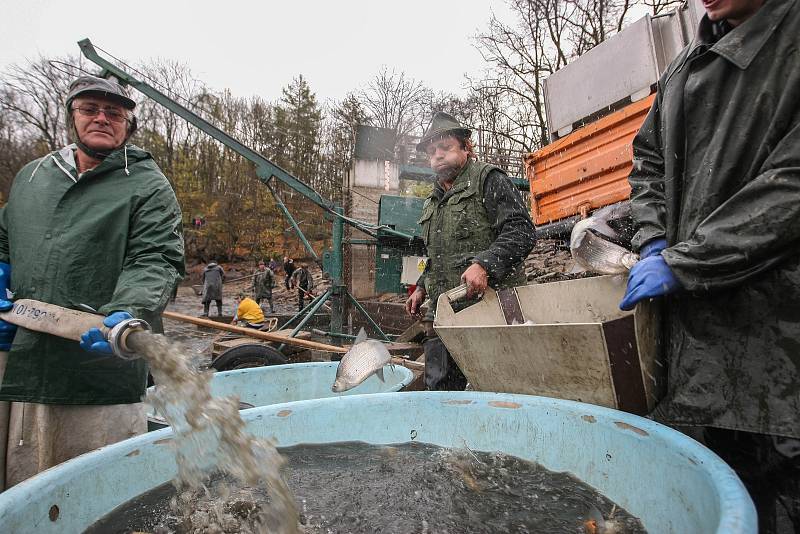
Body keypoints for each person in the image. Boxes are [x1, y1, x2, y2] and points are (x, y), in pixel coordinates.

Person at [620, 0, 800, 530]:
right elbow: (647, 158)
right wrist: (653, 239)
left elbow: (791, 185)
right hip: (696, 345)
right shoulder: (685, 62)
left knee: (776, 500)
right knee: (709, 492)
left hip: (778, 346)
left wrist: (689, 261)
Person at [0, 75, 185, 489]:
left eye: (114, 113)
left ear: (128, 125)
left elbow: (156, 257)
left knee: (99, 490)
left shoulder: (146, 184)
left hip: (101, 367)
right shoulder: (32, 177)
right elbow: (5, 239)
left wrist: (129, 313)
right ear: (73, 117)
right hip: (22, 362)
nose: (102, 118)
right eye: (90, 109)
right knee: (23, 483)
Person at [406, 112, 536, 391]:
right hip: (444, 315)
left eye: (446, 148)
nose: (438, 156)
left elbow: (522, 232)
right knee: (441, 394)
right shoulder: (432, 200)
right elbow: (438, 256)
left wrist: (485, 265)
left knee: (500, 391)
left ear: (466, 148)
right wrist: (421, 287)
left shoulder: (488, 179)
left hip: (491, 311)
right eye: (431, 151)